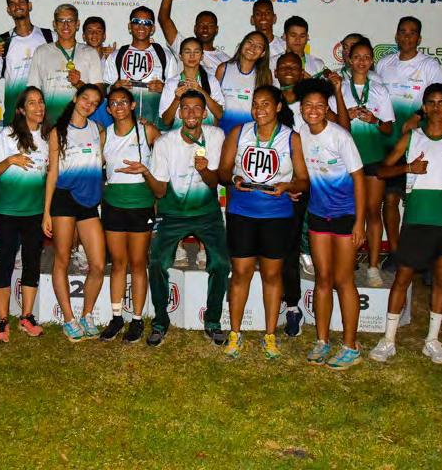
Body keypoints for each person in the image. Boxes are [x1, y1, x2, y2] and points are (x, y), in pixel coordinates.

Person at [370, 83, 442, 365]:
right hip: (417, 221)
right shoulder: (412, 137)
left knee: (441, 280)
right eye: (431, 102)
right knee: (402, 279)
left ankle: (432, 341)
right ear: (424, 107)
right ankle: (388, 340)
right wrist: (408, 168)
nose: (436, 107)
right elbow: (382, 170)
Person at [119, 91, 228, 347]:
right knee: (157, 262)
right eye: (186, 108)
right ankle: (160, 322)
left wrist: (205, 169)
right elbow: (159, 192)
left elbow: (215, 182)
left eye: (197, 108)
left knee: (222, 263)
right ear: (179, 112)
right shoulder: (165, 142)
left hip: (207, 213)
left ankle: (213, 322)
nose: (191, 113)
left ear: (205, 113)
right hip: (172, 213)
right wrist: (146, 173)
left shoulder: (216, 136)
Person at [218, 85, 309, 359]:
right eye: (255, 104)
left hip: (276, 215)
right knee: (241, 272)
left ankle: (270, 335)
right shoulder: (239, 132)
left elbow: (304, 180)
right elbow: (222, 171)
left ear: (278, 106)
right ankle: (235, 333)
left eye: (266, 104)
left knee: (272, 275)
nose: (259, 109)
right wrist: (233, 179)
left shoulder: (291, 138)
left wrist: (288, 185)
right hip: (242, 212)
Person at [296, 78, 366, 370]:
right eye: (308, 105)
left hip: (345, 216)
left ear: (327, 109)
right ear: (301, 108)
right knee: (323, 279)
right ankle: (322, 340)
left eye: (319, 106)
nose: (313, 110)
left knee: (343, 280)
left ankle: (350, 346)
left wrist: (360, 222)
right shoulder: (301, 133)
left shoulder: (340, 137)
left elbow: (359, 179)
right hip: (318, 215)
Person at [376, 17, 442, 257]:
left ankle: (421, 254)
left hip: (419, 143)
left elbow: (439, 99)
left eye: (412, 32)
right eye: (402, 32)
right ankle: (396, 254)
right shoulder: (384, 64)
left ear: (419, 38)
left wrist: (418, 115)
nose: (407, 37)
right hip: (388, 144)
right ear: (396, 36)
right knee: (390, 199)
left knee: (418, 201)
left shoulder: (429, 65)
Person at [43, 84, 107, 342]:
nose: (88, 104)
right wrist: (46, 212)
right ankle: (69, 320)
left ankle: (87, 315)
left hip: (88, 202)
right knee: (62, 259)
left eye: (94, 102)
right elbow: (52, 174)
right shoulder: (58, 132)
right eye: (85, 98)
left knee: (98, 264)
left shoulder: (97, 130)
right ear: (75, 98)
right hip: (64, 199)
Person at [329, 39, 394, 287]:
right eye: (357, 56)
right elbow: (330, 121)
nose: (361, 61)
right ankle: (346, 263)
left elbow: (388, 128)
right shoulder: (339, 87)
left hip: (373, 157)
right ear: (348, 59)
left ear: (372, 61)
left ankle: (373, 266)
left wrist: (374, 120)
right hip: (345, 159)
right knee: (347, 213)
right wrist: (347, 115)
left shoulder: (379, 90)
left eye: (367, 57)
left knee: (372, 212)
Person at [0, 87, 50, 343]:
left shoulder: (48, 137)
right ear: (22, 110)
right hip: (7, 212)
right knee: (4, 263)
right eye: (31, 103)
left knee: (32, 263)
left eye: (41, 102)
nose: (38, 107)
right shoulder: (8, 134)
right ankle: (2, 321)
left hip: (35, 213)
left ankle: (26, 317)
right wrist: (10, 160)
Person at [99, 87, 161, 343]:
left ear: (133, 105)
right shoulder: (104, 135)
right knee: (118, 263)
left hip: (141, 204)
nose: (119, 106)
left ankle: (136, 319)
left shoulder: (147, 130)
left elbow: (167, 155)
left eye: (123, 101)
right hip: (113, 204)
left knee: (137, 262)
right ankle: (116, 318)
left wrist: (148, 172)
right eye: (114, 103)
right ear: (108, 109)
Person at [0, 0, 54, 123]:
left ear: (29, 5)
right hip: (14, 117)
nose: (17, 6)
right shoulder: (2, 41)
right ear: (8, 10)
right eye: (12, 4)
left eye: (21, 1)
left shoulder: (50, 37)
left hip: (44, 116)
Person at [28, 4, 104, 124]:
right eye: (61, 20)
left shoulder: (90, 52)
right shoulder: (41, 51)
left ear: (77, 24)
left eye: (70, 20)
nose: (66, 25)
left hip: (80, 123)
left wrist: (79, 84)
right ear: (54, 24)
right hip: (50, 122)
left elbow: (100, 94)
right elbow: (33, 91)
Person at [104, 6, 178, 128]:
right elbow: (104, 90)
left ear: (152, 28)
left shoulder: (165, 56)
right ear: (130, 26)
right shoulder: (116, 56)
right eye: (136, 21)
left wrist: (165, 88)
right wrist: (114, 87)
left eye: (147, 23)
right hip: (125, 128)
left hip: (157, 127)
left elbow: (176, 90)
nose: (141, 26)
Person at [158, 0, 229, 72]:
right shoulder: (183, 46)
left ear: (216, 29)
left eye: (210, 25)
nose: (205, 29)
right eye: (201, 25)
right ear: (195, 28)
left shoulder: (225, 61)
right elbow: (164, 19)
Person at [215, 31, 273, 136]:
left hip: (250, 136)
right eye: (250, 42)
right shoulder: (223, 69)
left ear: (263, 53)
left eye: (258, 46)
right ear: (242, 44)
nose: (252, 47)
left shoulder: (265, 75)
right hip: (223, 133)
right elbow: (214, 105)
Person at [159, 37, 224, 129]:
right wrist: (177, 99)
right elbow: (166, 121)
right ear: (180, 56)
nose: (192, 56)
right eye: (187, 52)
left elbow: (220, 115)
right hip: (179, 136)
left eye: (196, 52)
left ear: (202, 56)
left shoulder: (211, 81)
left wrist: (201, 91)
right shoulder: (172, 83)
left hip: (206, 135)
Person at [82, 16, 116, 128]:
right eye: (90, 31)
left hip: (107, 109)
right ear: (83, 36)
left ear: (104, 36)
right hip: (84, 107)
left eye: (99, 31)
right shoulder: (77, 58)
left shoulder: (112, 57)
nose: (94, 34)